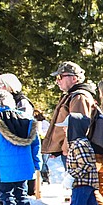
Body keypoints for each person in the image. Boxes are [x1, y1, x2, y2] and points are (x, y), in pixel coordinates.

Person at [41, 61, 96, 197]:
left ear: (74, 78)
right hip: (70, 151)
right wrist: (58, 148)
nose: (57, 81)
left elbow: (78, 128)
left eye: (60, 77)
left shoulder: (79, 97)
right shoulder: (71, 95)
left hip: (75, 152)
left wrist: (66, 148)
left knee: (81, 192)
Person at [0, 89, 41, 205]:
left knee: (7, 196)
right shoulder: (27, 118)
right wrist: (36, 163)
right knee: (22, 195)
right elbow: (36, 144)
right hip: (24, 166)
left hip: (2, 167)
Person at [57, 114, 103, 205]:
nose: (64, 130)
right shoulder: (80, 143)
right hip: (87, 183)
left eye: (66, 127)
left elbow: (86, 164)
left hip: (82, 183)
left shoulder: (79, 144)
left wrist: (71, 176)